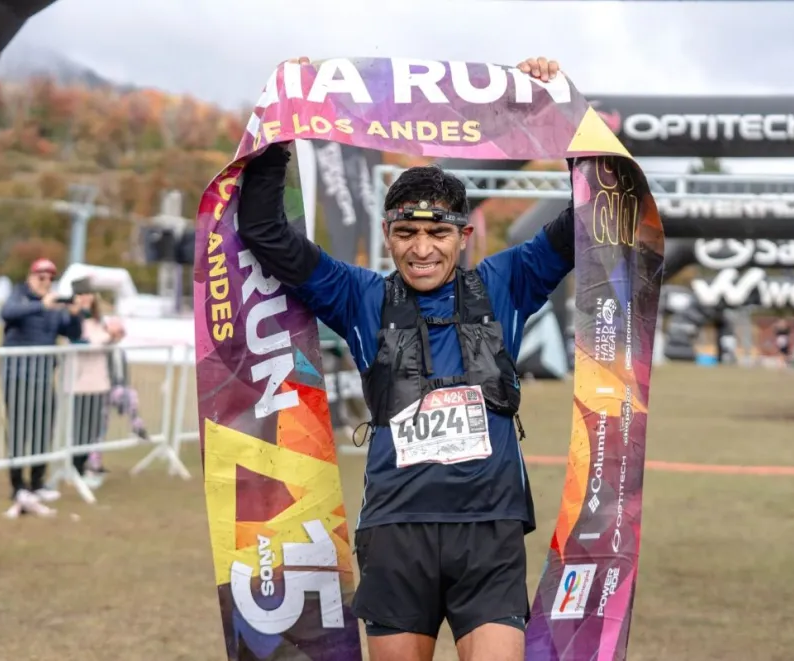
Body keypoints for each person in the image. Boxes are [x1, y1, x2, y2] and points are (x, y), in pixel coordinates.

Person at [235, 56, 569, 661]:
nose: (421, 250)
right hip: (394, 532)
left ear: (464, 236)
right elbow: (263, 229)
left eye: (437, 234)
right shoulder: (359, 295)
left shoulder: (508, 281)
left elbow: (591, 220)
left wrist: (559, 112)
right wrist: (283, 124)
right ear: (387, 234)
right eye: (406, 234)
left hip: (489, 534)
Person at [0, 258, 87, 517]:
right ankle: (18, 486)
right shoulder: (20, 296)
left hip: (43, 377)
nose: (46, 281)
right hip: (17, 376)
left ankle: (37, 482)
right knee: (19, 432)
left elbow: (73, 333)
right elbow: (7, 313)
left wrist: (75, 315)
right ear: (31, 276)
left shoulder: (53, 305)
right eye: (41, 277)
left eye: (50, 278)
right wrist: (39, 305)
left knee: (42, 430)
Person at [66, 288, 125, 489]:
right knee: (79, 427)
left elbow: (102, 344)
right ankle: (76, 468)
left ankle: (85, 466)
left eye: (88, 294)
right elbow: (85, 343)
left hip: (99, 381)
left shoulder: (98, 321)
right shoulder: (73, 320)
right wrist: (108, 337)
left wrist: (114, 337)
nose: (86, 299)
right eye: (82, 294)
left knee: (92, 427)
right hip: (80, 382)